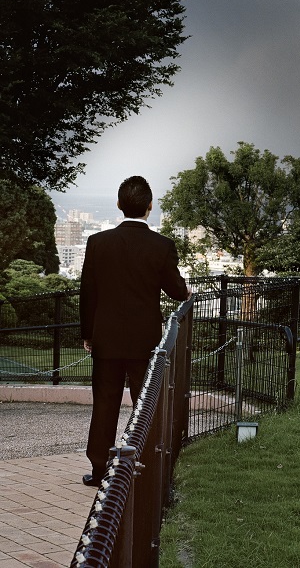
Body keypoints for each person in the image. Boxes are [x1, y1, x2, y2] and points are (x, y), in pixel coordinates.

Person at [79, 175, 190, 486]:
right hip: (145, 341)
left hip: (107, 338)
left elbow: (88, 293)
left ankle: (100, 469)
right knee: (145, 405)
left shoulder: (98, 243)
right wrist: (186, 290)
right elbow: (176, 290)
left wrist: (88, 333)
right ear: (150, 207)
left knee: (104, 403)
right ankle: (146, 467)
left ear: (118, 205)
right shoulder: (162, 246)